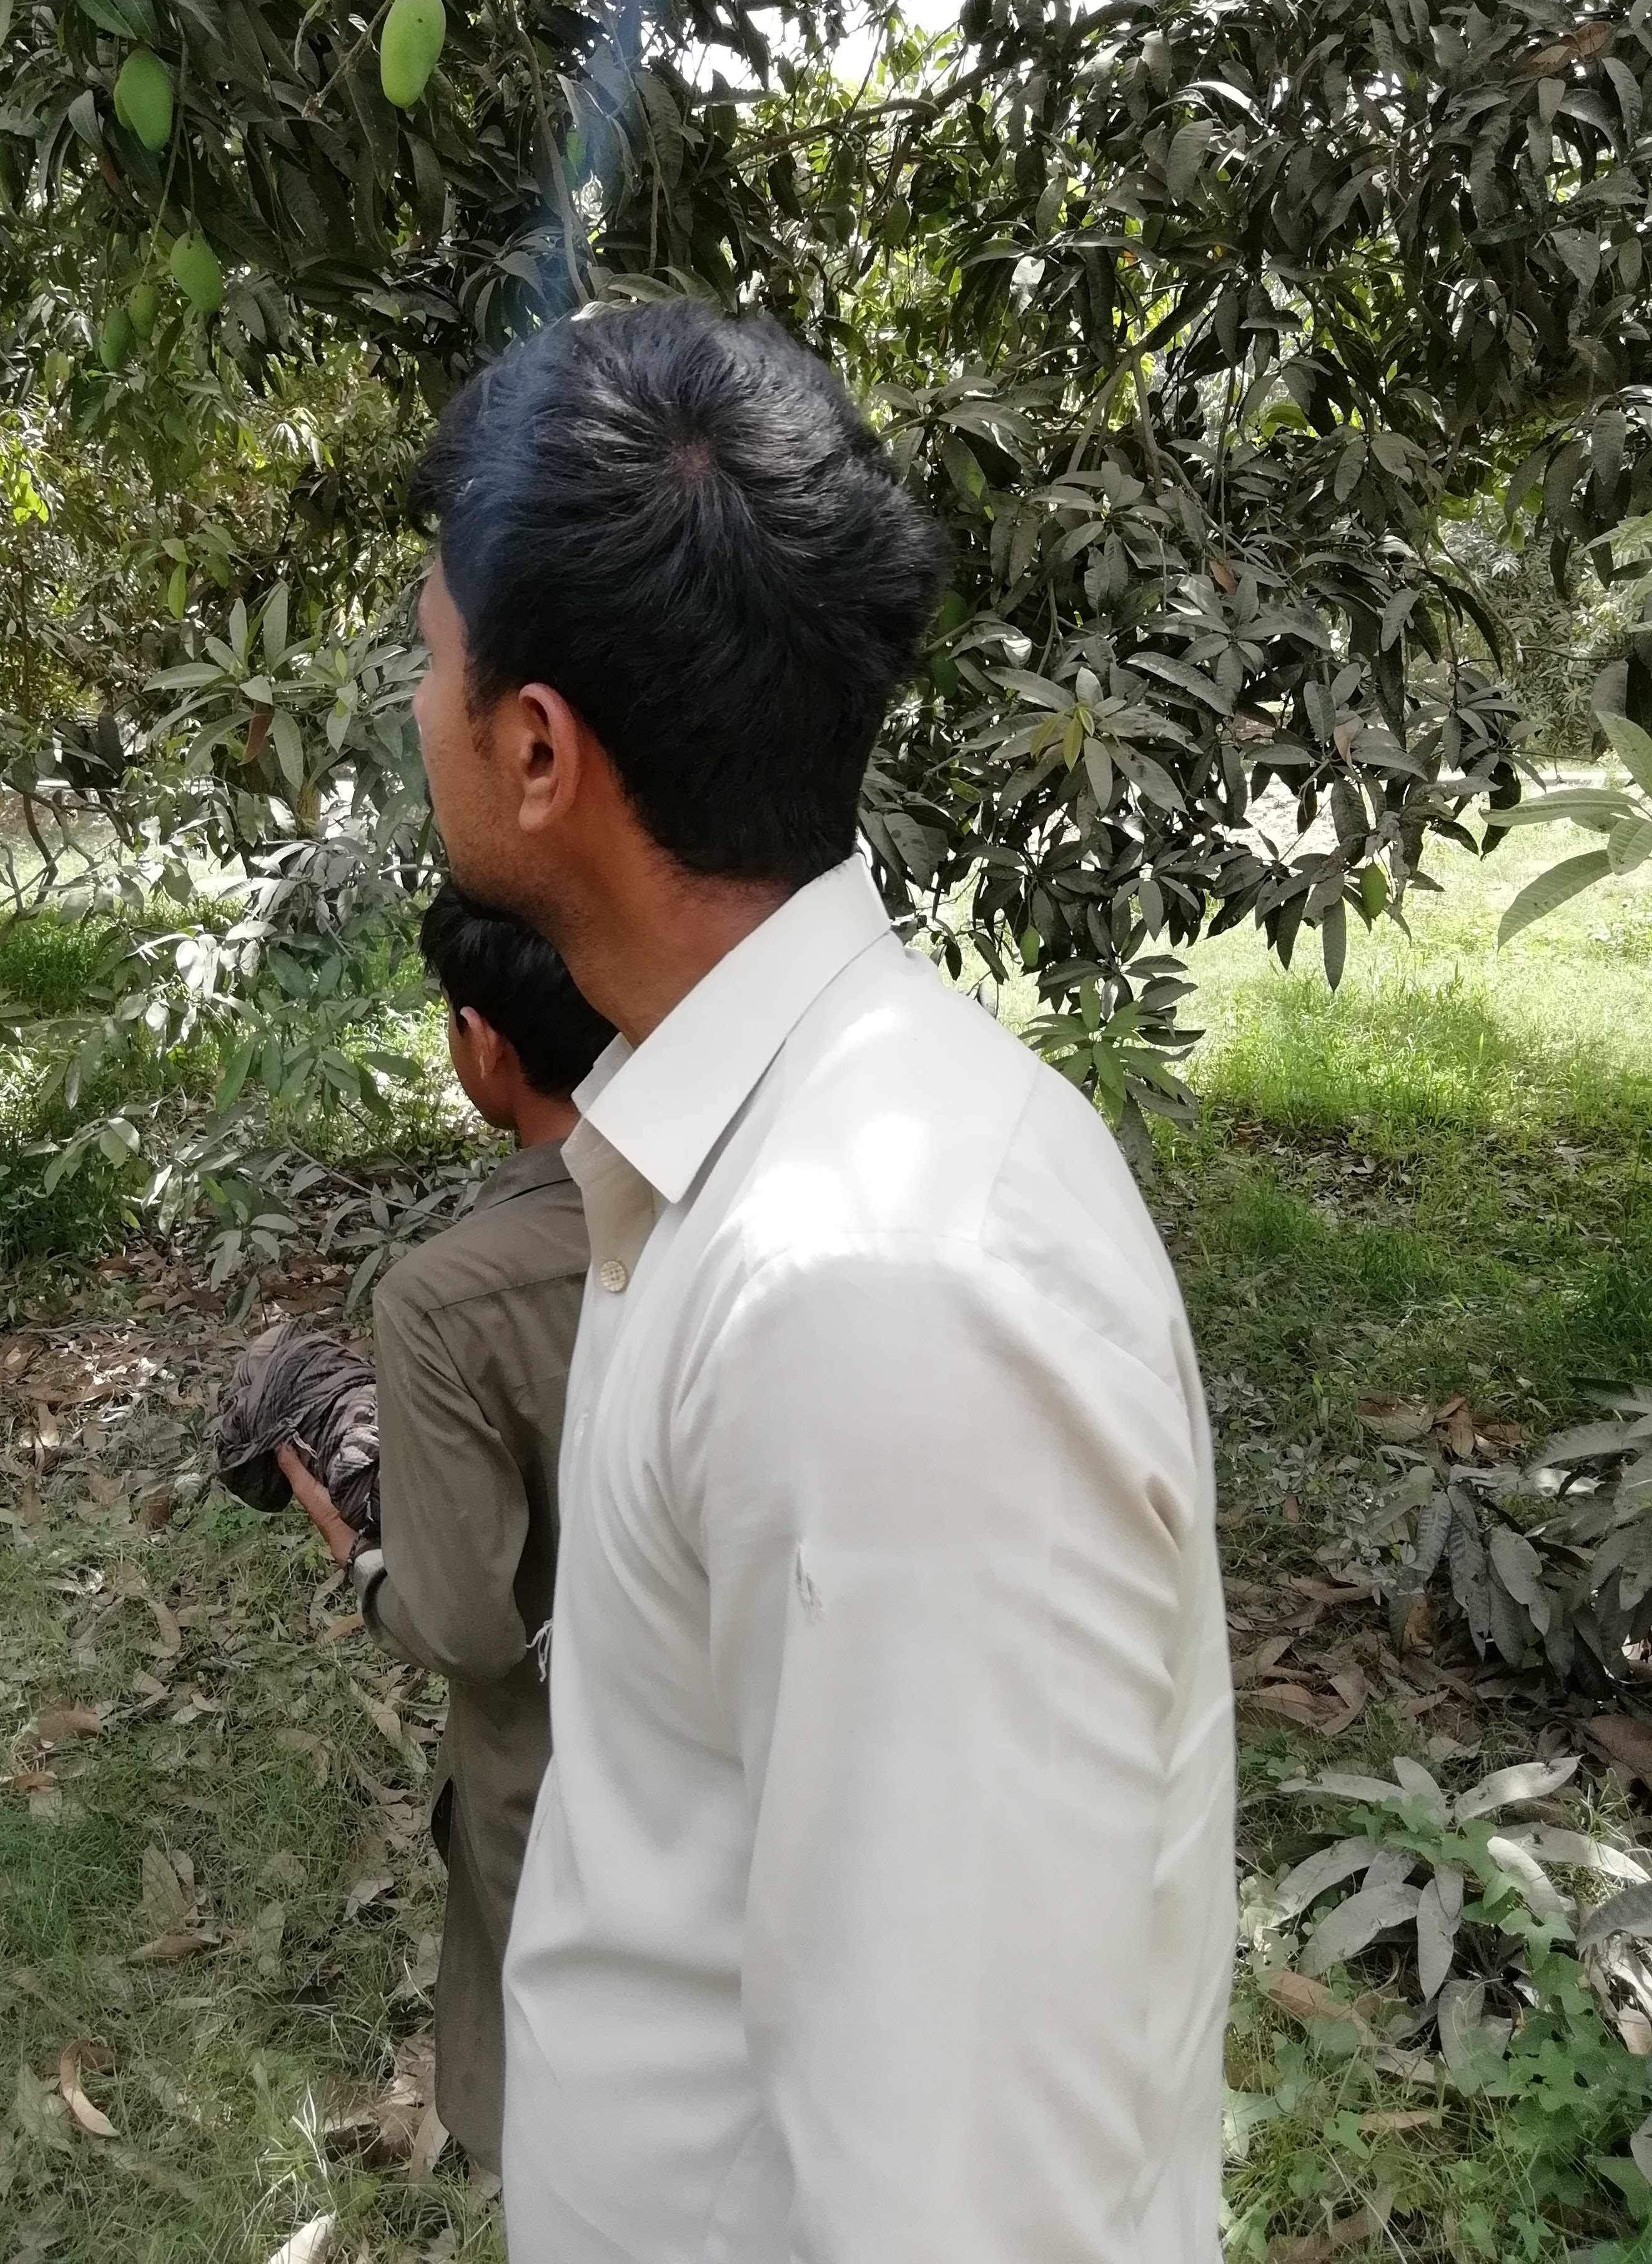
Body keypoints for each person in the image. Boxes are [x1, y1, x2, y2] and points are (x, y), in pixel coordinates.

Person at [408, 301, 1236, 2263]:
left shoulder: (876, 1300)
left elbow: (972, 2212)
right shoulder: (743, 1148)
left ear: (539, 750)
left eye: (425, 659)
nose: (409, 706)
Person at [275, 880, 613, 2177]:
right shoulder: (744, 1199)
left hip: (560, 1776)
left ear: (482, 1043)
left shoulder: (445, 1301)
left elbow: (470, 1622)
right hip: (747, 1746)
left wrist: (366, 1559)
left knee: (578, 2113)